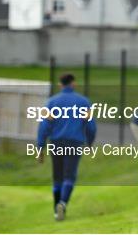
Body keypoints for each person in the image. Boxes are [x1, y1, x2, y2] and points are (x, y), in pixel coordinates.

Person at [37, 74, 97, 221]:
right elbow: (90, 126)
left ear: (60, 85)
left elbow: (44, 126)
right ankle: (63, 203)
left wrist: (40, 147)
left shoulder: (51, 102)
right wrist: (90, 143)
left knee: (57, 177)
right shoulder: (84, 102)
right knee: (69, 176)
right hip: (74, 142)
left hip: (56, 142)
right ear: (73, 84)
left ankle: (56, 210)